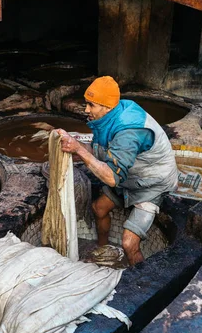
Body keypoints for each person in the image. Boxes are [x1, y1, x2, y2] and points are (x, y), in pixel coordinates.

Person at [57, 76, 178, 266]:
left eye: (91, 105)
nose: (86, 110)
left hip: (152, 183)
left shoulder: (129, 131)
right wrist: (75, 146)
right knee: (99, 208)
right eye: (86, 103)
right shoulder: (111, 114)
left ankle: (139, 281)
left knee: (129, 243)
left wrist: (79, 150)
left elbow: (112, 177)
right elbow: (103, 152)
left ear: (107, 107)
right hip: (129, 177)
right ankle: (103, 253)